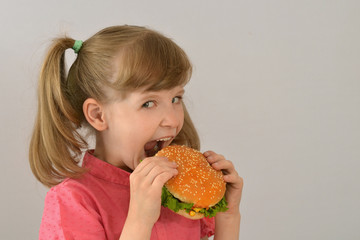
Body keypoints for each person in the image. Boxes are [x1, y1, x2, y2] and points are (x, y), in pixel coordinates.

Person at [29, 25, 243, 240]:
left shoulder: (180, 188)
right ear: (98, 115)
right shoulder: (74, 201)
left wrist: (228, 215)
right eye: (148, 103)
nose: (173, 120)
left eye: (175, 99)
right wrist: (140, 220)